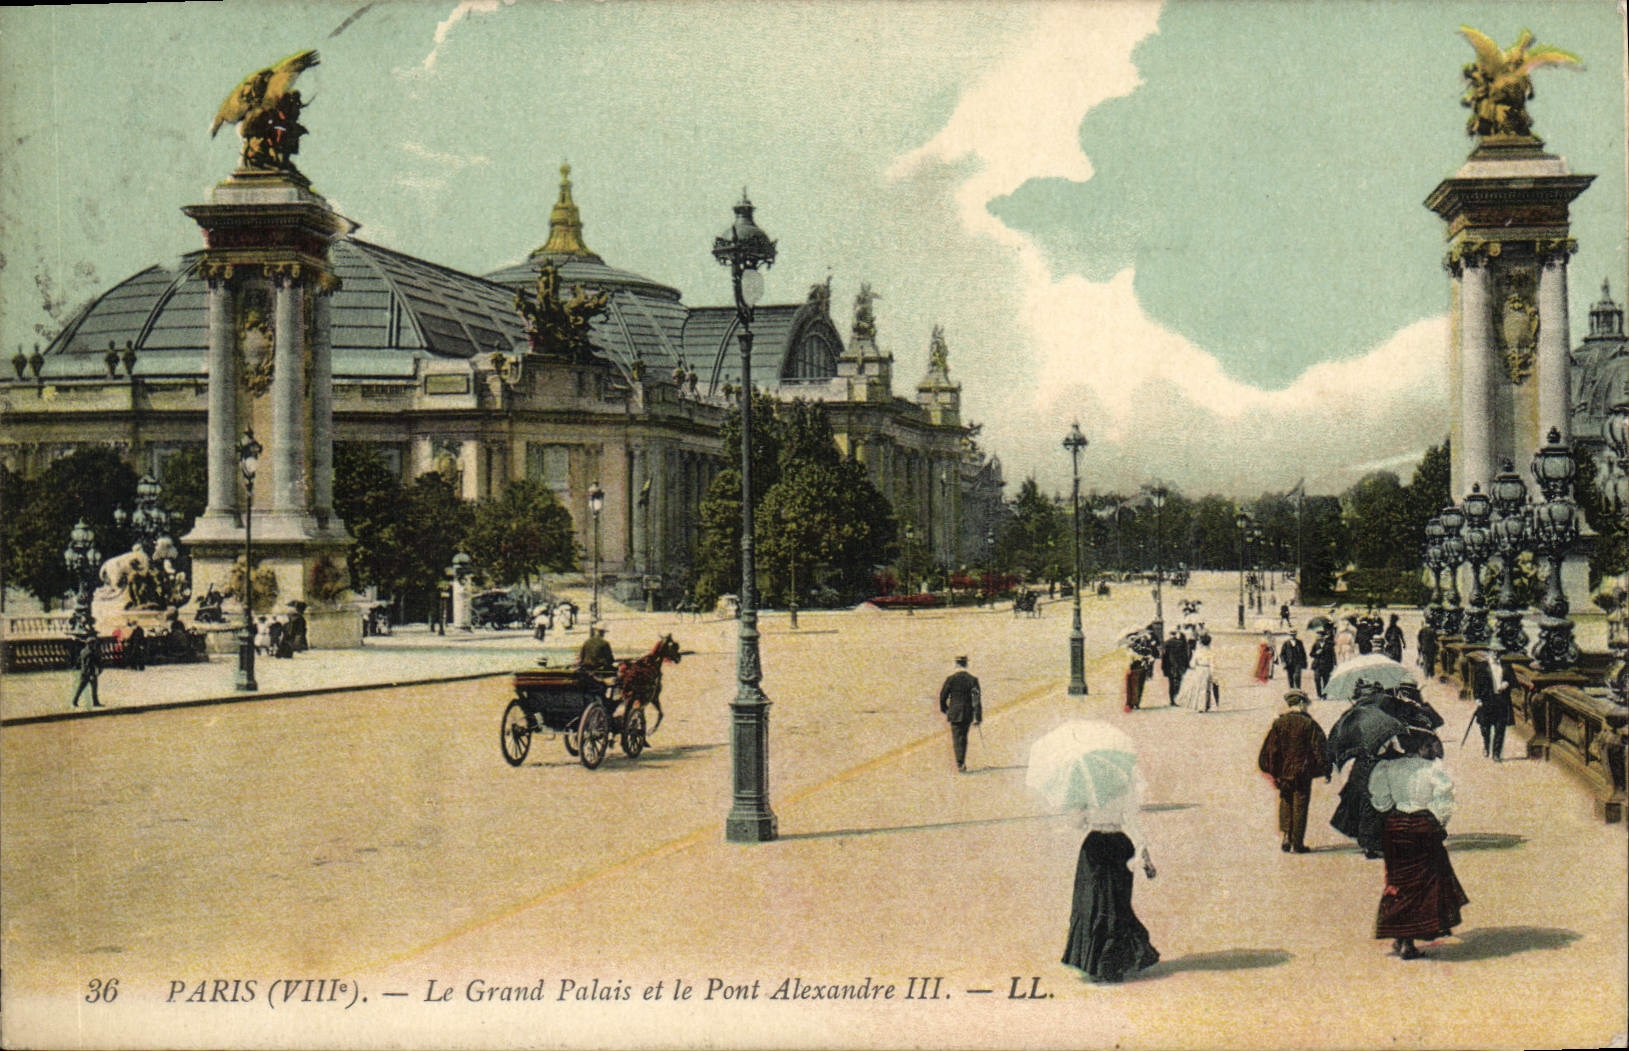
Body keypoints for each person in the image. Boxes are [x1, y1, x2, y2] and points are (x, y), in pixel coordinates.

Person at [1369, 730, 1468, 959]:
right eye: (1428, 746)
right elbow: (1444, 798)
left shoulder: (1387, 768)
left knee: (1398, 880)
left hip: (1396, 826)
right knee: (1424, 883)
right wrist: (1437, 822)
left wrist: (1397, 804)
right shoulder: (1432, 769)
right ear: (1421, 747)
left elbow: (1381, 802)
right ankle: (1409, 941)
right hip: (1423, 826)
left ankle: (1401, 937)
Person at [1061, 766, 1159, 983]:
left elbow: (1077, 823)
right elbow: (1133, 823)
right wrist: (1146, 858)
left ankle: (1103, 964)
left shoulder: (1086, 790)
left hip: (1096, 846)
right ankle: (1111, 965)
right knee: (1114, 905)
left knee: (1096, 905)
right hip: (1117, 845)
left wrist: (1079, 810)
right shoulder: (1123, 789)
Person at [1258, 690, 1332, 853]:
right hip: (1303, 772)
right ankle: (1297, 843)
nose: (1307, 707)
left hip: (1283, 772)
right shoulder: (1309, 724)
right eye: (1306, 704)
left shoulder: (1279, 723)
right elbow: (1319, 748)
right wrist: (1326, 768)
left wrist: (1274, 770)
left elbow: (1270, 749)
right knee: (1300, 804)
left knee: (1286, 801)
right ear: (1300, 703)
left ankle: (1286, 836)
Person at [938, 655, 982, 772]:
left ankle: (960, 763)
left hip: (954, 713)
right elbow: (976, 700)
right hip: (967, 713)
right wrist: (978, 717)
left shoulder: (950, 679)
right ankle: (961, 762)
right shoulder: (973, 680)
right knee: (963, 737)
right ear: (966, 664)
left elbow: (942, 697)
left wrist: (946, 710)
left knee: (957, 738)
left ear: (956, 664)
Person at [1468, 653, 1514, 761]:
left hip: (1501, 700)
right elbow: (1476, 684)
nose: (1496, 654)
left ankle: (1496, 754)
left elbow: (1513, 680)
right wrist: (1477, 698)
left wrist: (1506, 683)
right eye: (1493, 651)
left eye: (1498, 652)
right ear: (1489, 652)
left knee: (1500, 727)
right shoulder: (1481, 667)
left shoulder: (1506, 666)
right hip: (1486, 700)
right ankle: (1486, 745)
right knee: (1485, 726)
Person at [1175, 634, 1216, 711]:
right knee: (1207, 688)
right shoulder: (1210, 652)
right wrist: (1212, 673)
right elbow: (1212, 664)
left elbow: (1192, 664)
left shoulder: (1198, 652)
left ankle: (1199, 706)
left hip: (1199, 669)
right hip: (1207, 669)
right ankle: (1206, 705)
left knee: (1198, 688)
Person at [69, 632, 103, 708]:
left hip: (84, 672)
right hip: (90, 673)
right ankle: (95, 702)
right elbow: (89, 664)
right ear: (90, 644)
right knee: (93, 688)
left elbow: (79, 661)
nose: (95, 645)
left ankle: (75, 701)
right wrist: (92, 674)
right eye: (93, 644)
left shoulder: (83, 651)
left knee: (81, 688)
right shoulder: (90, 653)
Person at [1159, 628, 1189, 705]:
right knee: (1178, 682)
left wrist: (1163, 668)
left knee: (1171, 683)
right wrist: (1186, 665)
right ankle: (1176, 698)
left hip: (1170, 666)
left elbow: (1164, 657)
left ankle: (1172, 699)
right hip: (1179, 666)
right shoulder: (1182, 643)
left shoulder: (1166, 643)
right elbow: (1185, 656)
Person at [1310, 628, 1337, 699]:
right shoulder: (1316, 644)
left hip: (1326, 665)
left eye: (1320, 636)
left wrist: (1334, 664)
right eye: (1318, 636)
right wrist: (1316, 653)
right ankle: (1319, 695)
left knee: (1326, 680)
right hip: (1317, 665)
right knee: (1317, 679)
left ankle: (1324, 694)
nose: (1319, 637)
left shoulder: (1329, 645)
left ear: (1324, 637)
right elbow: (1311, 654)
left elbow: (1333, 655)